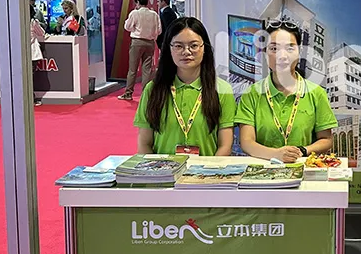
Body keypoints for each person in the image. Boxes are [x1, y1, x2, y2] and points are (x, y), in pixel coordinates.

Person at [235, 19, 337, 163]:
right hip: (262, 172)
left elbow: (326, 139)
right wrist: (276, 154)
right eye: (274, 48)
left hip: (303, 170)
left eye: (290, 48)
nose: (282, 56)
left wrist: (303, 150)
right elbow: (247, 142)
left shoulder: (316, 93)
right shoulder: (252, 93)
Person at [134, 17, 235, 155]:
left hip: (207, 168)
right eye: (178, 46)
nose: (186, 52)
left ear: (204, 48)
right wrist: (154, 169)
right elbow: (144, 143)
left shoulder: (222, 90)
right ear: (169, 49)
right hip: (163, 168)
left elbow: (225, 146)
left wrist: (210, 168)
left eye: (193, 45)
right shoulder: (153, 90)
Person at [119, 0, 161, 101]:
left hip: (137, 42)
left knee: (132, 69)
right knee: (147, 69)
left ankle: (128, 93)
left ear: (138, 3)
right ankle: (146, 94)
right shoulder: (154, 14)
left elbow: (127, 27)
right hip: (150, 42)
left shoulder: (135, 13)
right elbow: (159, 30)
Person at [28, 2, 45, 106]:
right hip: (32, 53)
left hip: (19, 53)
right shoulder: (33, 22)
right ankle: (31, 99)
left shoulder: (16, 22)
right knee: (30, 77)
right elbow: (41, 33)